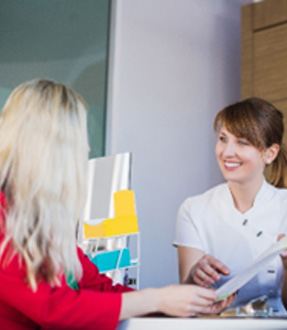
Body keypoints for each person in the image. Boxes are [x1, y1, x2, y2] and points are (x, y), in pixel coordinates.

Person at [0, 79, 233, 329]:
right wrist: (157, 300)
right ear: (51, 147)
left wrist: (179, 303)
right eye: (79, 140)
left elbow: (96, 286)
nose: (87, 148)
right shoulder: (5, 216)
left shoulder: (41, 221)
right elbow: (54, 307)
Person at [174, 97, 287, 316]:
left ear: (270, 153)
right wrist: (194, 276)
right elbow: (188, 301)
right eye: (223, 139)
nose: (227, 152)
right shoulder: (193, 209)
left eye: (242, 142)